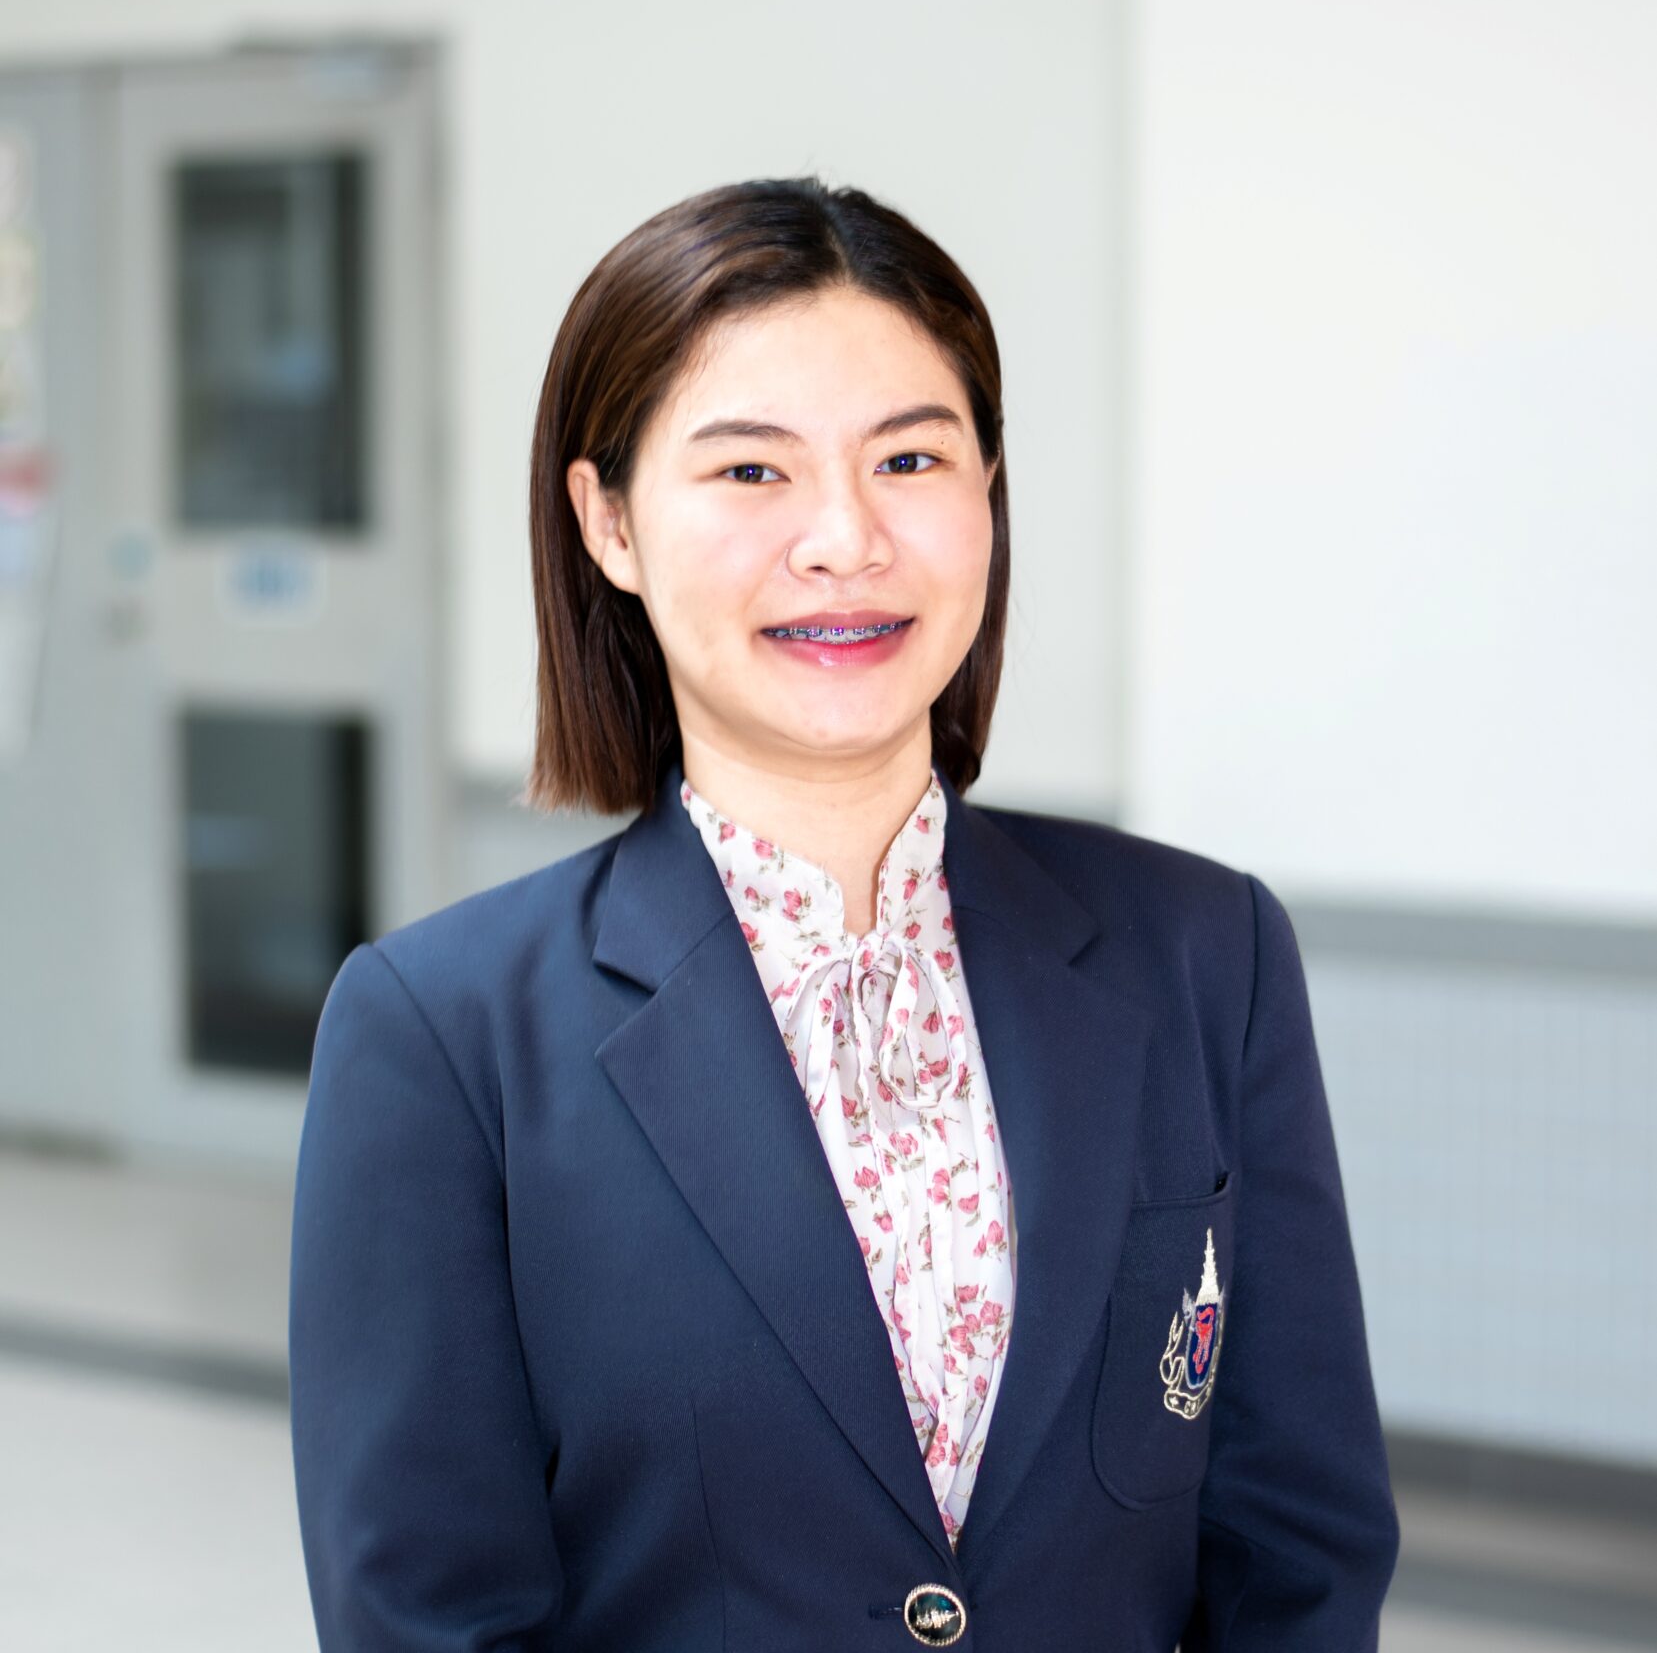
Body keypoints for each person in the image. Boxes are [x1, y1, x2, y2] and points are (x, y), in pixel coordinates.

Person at [288, 177, 1400, 1651]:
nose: (843, 539)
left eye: (910, 458)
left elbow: (1298, 1551)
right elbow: (428, 1616)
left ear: (987, 491)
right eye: (751, 471)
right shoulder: (442, 1036)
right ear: (608, 522)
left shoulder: (1206, 952)